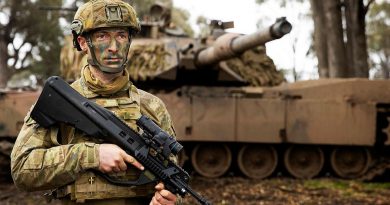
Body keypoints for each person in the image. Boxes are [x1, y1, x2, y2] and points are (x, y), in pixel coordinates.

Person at [11, 0, 180, 204]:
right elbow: (22, 170)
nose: (113, 47)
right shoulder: (61, 100)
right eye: (102, 36)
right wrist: (92, 155)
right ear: (83, 43)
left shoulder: (153, 106)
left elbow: (171, 178)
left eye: (121, 35)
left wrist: (168, 199)